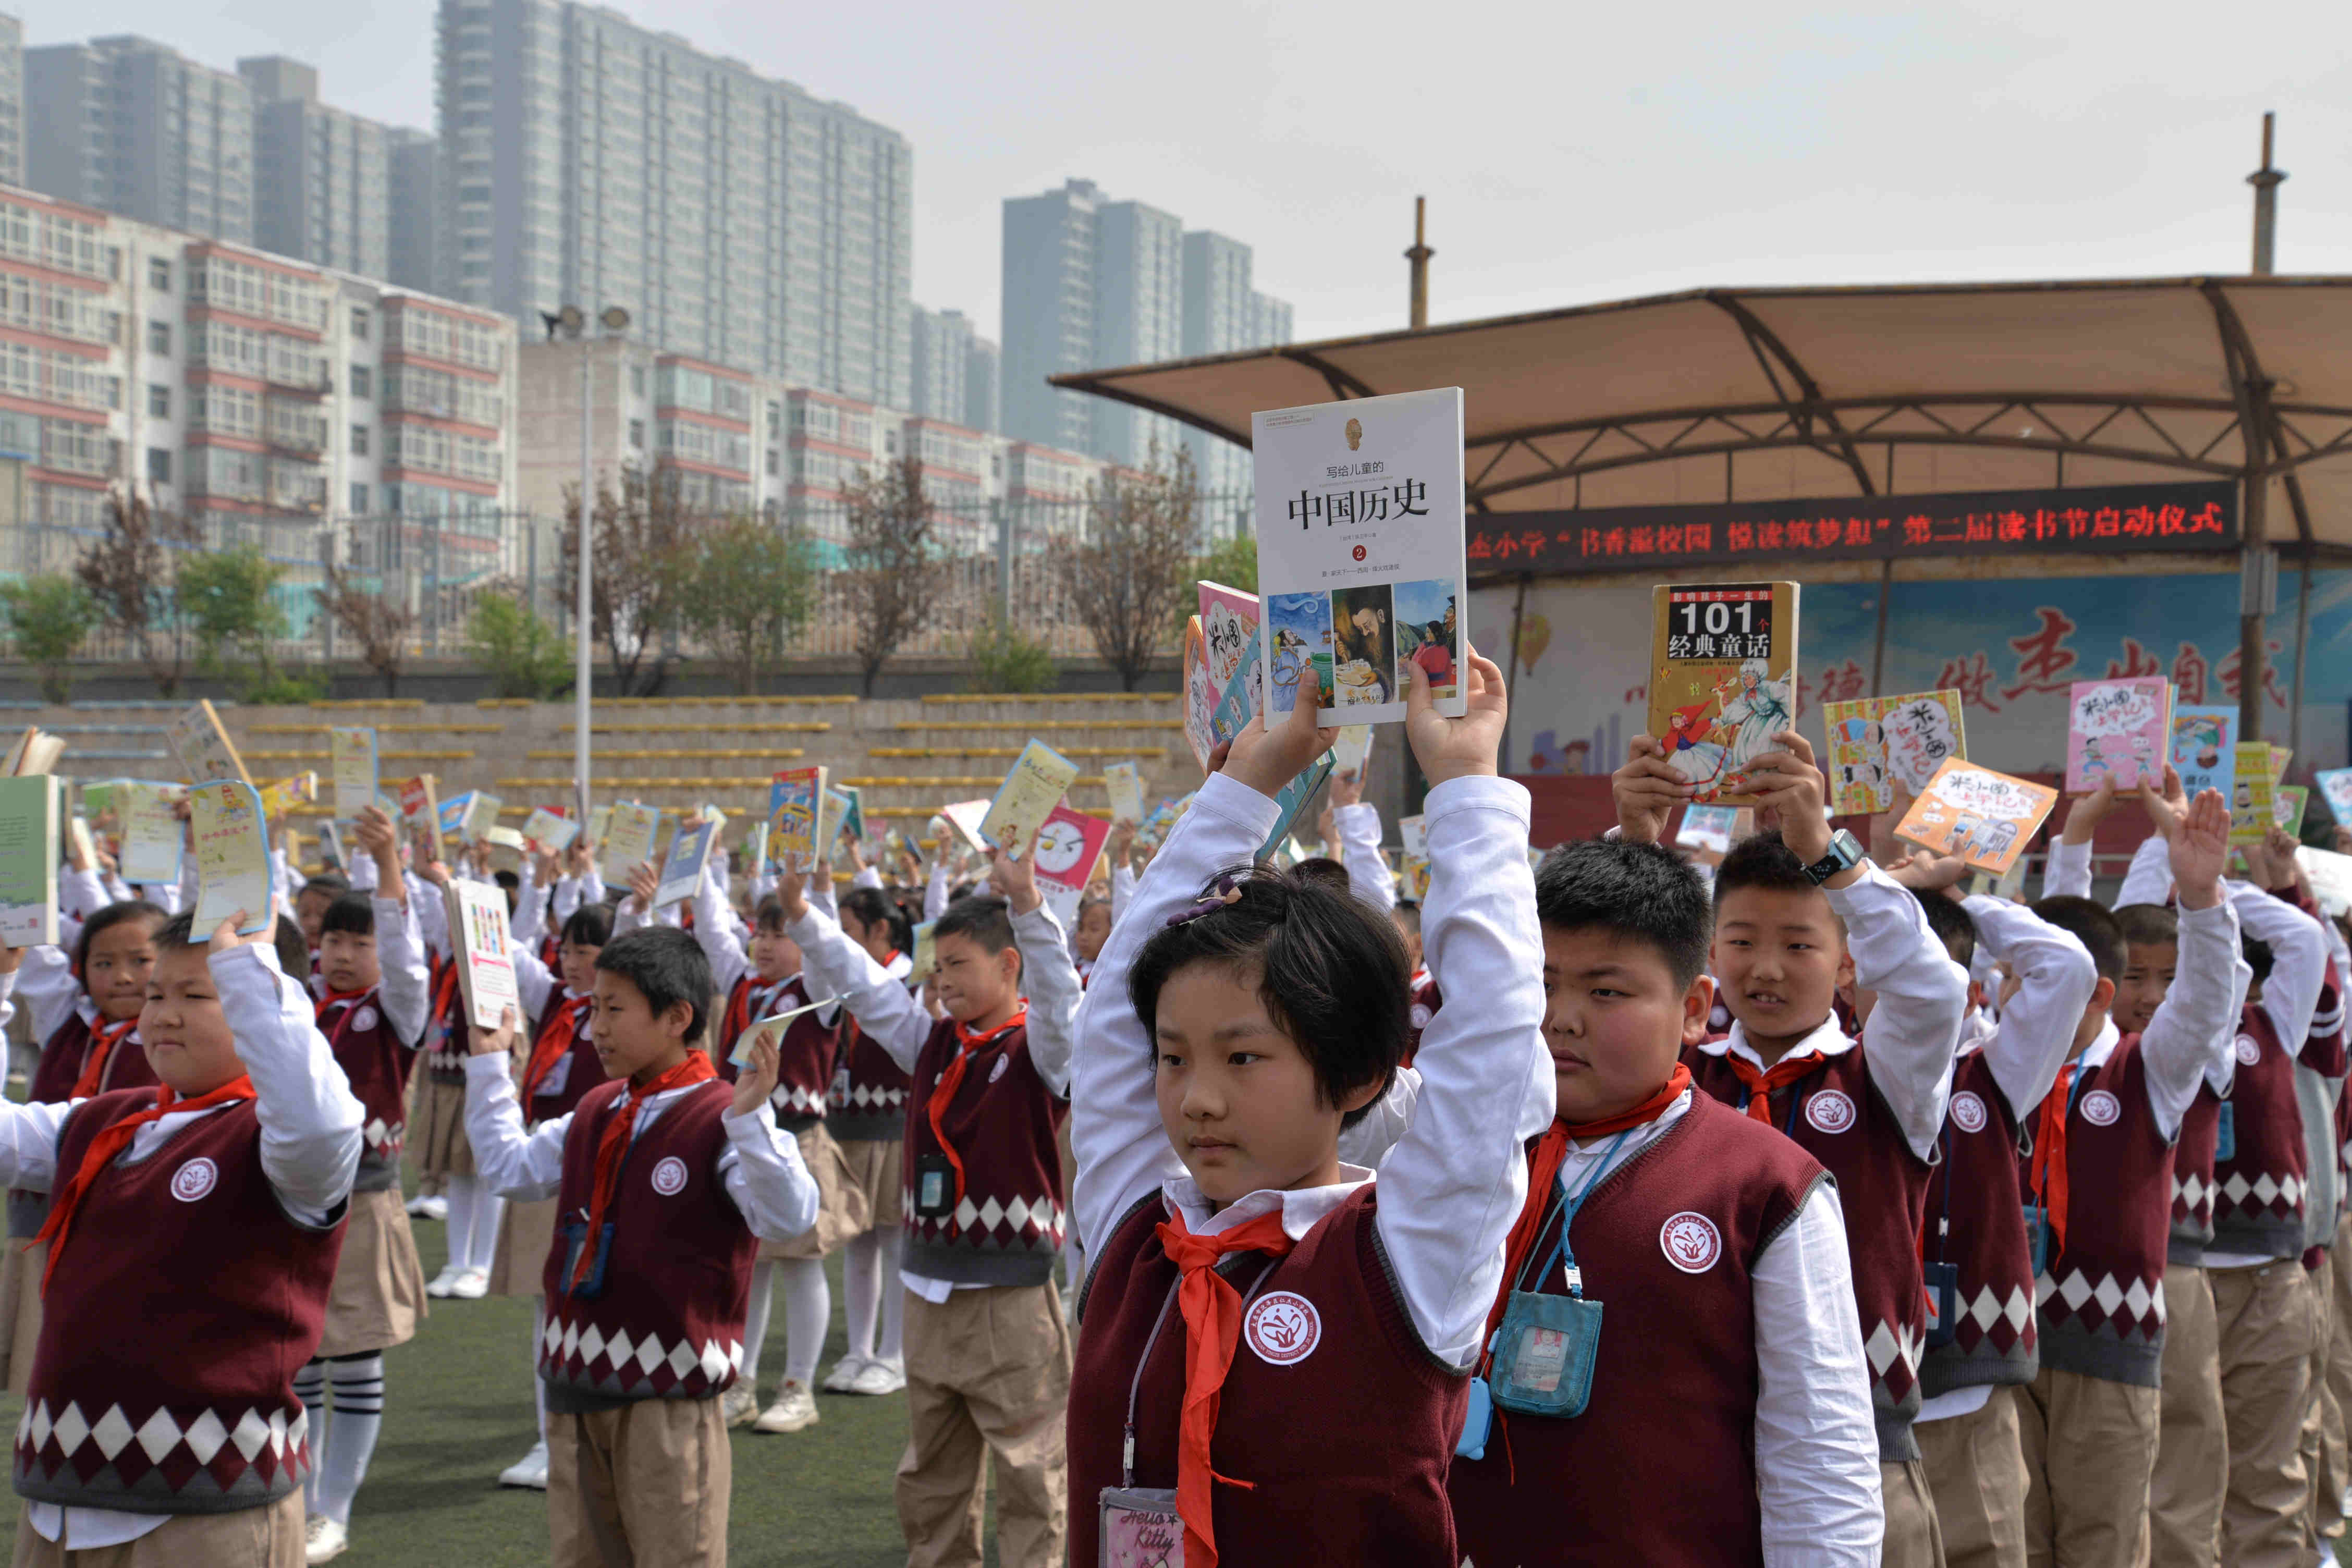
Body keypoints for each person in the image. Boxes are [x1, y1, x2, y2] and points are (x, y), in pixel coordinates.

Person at [1067, 651, 1552, 1565]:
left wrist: (1466, 789)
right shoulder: (1134, 1228)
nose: (1197, 1097)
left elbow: (1493, 1041)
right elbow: (1105, 1029)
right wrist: (1247, 784)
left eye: (1244, 1056)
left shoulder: (1405, 1252)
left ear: (1361, 1075)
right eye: (1173, 1057)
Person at [1447, 822, 1882, 1564]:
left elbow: (1820, 1449)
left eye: (1607, 990)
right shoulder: (1455, 1152)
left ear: (1692, 1009)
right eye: (1541, 984)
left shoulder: (1766, 1184)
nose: (1563, 1017)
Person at [1616, 724, 1973, 1564]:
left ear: (1850, 966)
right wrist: (1633, 849)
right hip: (1684, 1446)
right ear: (1708, 952)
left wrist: (1830, 851)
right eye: (1741, 941)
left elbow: (1931, 988)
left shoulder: (1886, 1078)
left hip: (1863, 1455)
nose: (1766, 969)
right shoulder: (1669, 1071)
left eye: (1801, 944)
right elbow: (1572, 989)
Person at [0, 906, 362, 1567]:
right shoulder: (111, 1119)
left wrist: (249, 970)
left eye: (198, 995)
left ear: (271, 1002)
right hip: (59, 1497)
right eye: (157, 993)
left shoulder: (278, 1141)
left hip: (206, 1503)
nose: (164, 1015)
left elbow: (318, 1124)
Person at [464, 927, 818, 1568]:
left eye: (615, 1008)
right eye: (594, 1006)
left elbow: (788, 1216)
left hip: (669, 1398)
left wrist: (750, 1118)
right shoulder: (596, 1107)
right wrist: (490, 1065)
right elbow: (508, 1169)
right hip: (575, 1390)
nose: (596, 1025)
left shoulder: (722, 1113)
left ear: (678, 1016)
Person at [782, 863, 1074, 1567]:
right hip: (928, 1292)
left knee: (1032, 1472)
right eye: (935, 966)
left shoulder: (1044, 1048)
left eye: (957, 965)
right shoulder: (933, 1041)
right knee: (931, 1477)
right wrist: (804, 918)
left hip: (1011, 1298)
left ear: (1010, 965)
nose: (940, 981)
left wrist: (1030, 905)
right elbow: (870, 989)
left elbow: (1062, 997)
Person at [2013, 781, 2245, 1567]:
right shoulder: (1994, 1068)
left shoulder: (2150, 1070)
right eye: (2020, 980)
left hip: (2108, 1348)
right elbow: (2061, 935)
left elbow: (2205, 998)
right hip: (2004, 1346)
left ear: (2099, 994)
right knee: (2016, 1544)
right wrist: (2072, 837)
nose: (2024, 997)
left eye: (2051, 982)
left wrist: (2203, 894)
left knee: (2106, 1544)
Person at [1904, 870, 2094, 1568]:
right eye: (1891, 973)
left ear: (1969, 987)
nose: (1915, 997)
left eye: (1936, 978)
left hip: (1964, 1395)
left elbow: (2067, 965)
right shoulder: (1830, 1070)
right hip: (1849, 1403)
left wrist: (1956, 904)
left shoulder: (1994, 1072)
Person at [298, 805, 431, 1564]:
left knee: (353, 1352)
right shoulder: (308, 1003)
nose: (344, 953)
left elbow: (410, 964)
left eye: (361, 941)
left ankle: (333, 1509)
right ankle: (302, 1494)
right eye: (334, 939)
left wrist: (387, 869)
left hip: (364, 1195)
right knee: (303, 1355)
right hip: (296, 1201)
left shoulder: (395, 1010)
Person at [688, 861, 855, 1435]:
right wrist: (700, 862)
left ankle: (799, 1385)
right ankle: (742, 1381)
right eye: (760, 931)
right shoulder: (742, 982)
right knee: (750, 1268)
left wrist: (819, 901)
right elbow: (712, 929)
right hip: (741, 1138)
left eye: (779, 933)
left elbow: (832, 955)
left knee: (802, 1263)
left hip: (798, 1137)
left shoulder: (816, 990)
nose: (764, 943)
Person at [0, 897, 166, 1393]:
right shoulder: (67, 1023)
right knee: (46, 1364)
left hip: (129, 1221)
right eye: (103, 963)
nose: (122, 976)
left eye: (142, 961)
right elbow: (39, 957)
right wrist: (21, 889)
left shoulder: (171, 1029)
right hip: (46, 1218)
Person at [488, 898, 612, 1491]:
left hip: (608, 1169)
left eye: (584, 952)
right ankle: (549, 1436)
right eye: (564, 949)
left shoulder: (619, 1016)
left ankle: (594, 1431)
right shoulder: (556, 1005)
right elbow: (505, 951)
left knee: (603, 1303)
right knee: (548, 1307)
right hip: (549, 1165)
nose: (569, 961)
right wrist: (465, 889)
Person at [824, 884, 916, 1398]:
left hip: (896, 1123)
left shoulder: (910, 978)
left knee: (893, 1239)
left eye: (849, 927)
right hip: (850, 1122)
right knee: (857, 1240)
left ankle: (894, 1352)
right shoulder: (844, 985)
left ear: (880, 930)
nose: (840, 937)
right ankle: (859, 1348)